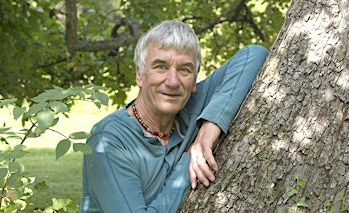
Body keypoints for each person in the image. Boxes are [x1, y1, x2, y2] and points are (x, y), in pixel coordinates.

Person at [79, 20, 268, 212]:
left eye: (184, 69)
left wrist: (208, 130)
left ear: (194, 81)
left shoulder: (193, 106)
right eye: (160, 66)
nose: (172, 81)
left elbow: (254, 54)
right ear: (140, 75)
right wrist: (187, 163)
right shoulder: (109, 140)